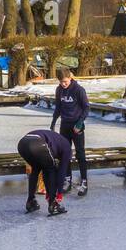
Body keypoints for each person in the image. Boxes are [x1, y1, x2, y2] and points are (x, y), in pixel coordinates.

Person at [49, 67, 90, 196]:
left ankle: (84, 182)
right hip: (65, 126)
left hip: (77, 126)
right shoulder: (59, 90)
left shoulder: (78, 90)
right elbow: (58, 107)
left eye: (65, 81)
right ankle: (67, 179)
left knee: (80, 154)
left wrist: (80, 122)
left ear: (70, 78)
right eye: (61, 82)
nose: (63, 84)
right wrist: (53, 123)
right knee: (64, 153)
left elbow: (86, 108)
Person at [17, 129, 71, 216]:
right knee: (51, 168)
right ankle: (53, 204)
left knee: (36, 168)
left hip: (22, 144)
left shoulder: (57, 142)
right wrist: (59, 193)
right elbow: (62, 172)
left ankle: (31, 201)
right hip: (36, 143)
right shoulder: (67, 149)